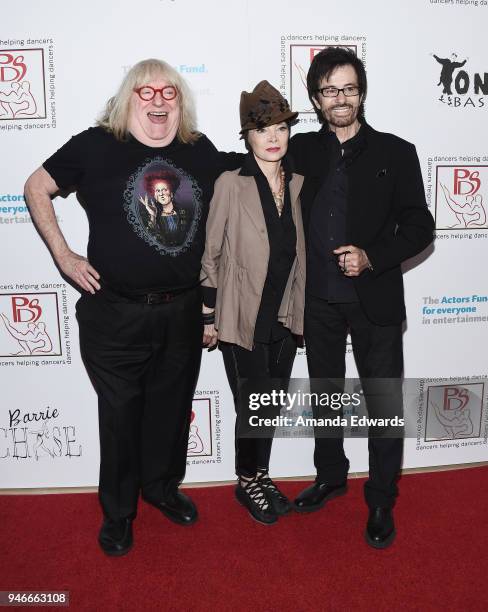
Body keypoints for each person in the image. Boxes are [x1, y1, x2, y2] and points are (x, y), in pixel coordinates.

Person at [24, 58, 240, 556]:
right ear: (128, 98)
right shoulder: (97, 144)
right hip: (114, 314)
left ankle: (161, 489)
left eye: (169, 91)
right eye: (146, 92)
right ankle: (119, 514)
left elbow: (244, 164)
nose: (159, 100)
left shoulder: (197, 150)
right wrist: (63, 255)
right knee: (121, 417)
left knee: (170, 410)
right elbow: (37, 186)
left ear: (180, 101)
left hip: (181, 311)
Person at [289, 47, 434, 548]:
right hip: (318, 301)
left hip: (375, 302)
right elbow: (250, 157)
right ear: (315, 99)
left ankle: (380, 500)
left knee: (384, 405)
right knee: (326, 398)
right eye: (330, 90)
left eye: (349, 88)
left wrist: (372, 255)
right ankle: (330, 475)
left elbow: (421, 226)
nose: (341, 98)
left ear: (362, 92)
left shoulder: (397, 152)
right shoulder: (301, 150)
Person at [201, 81, 305, 524]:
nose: (274, 137)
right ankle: (247, 481)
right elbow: (211, 254)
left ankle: (260, 474)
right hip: (241, 316)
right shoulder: (231, 182)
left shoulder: (299, 183)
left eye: (281, 127)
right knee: (253, 404)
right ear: (247, 135)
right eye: (264, 129)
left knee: (271, 404)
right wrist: (207, 315)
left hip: (285, 315)